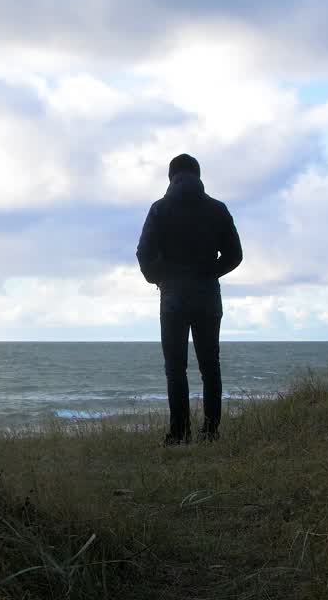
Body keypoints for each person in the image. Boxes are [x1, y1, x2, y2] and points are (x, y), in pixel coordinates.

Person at [136, 153, 242, 445]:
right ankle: (210, 432)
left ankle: (180, 433)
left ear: (171, 177)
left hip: (173, 298)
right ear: (198, 175)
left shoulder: (160, 209)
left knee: (175, 368)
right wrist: (210, 272)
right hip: (208, 296)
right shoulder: (217, 209)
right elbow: (235, 255)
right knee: (210, 367)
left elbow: (144, 253)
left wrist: (159, 278)